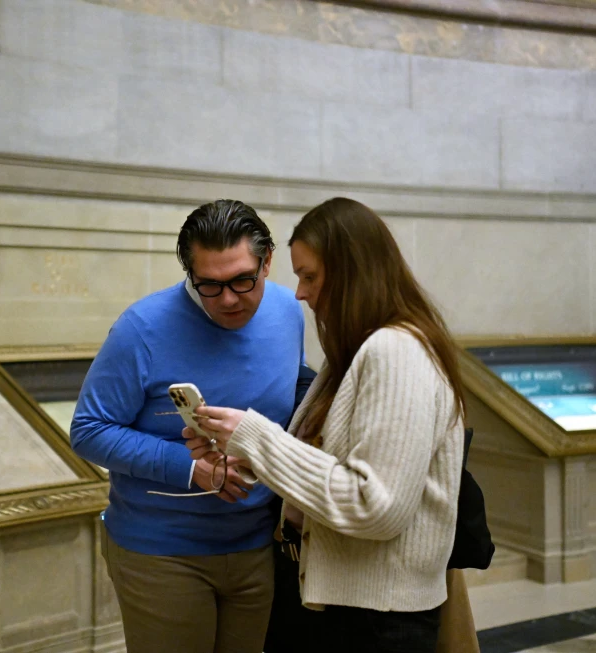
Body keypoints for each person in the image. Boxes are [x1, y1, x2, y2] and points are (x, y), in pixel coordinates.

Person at [186, 197, 466, 652]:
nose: (299, 293)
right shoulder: (357, 349)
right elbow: (329, 459)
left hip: (373, 618)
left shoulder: (396, 351)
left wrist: (257, 438)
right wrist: (244, 455)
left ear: (353, 271)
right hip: (330, 598)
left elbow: (375, 506)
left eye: (310, 277)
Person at [70, 199, 305, 653]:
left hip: (258, 543)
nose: (229, 299)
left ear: (267, 262)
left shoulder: (287, 311)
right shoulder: (141, 328)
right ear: (189, 273)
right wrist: (190, 467)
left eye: (242, 280)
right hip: (162, 550)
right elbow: (89, 429)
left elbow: (292, 395)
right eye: (210, 285)